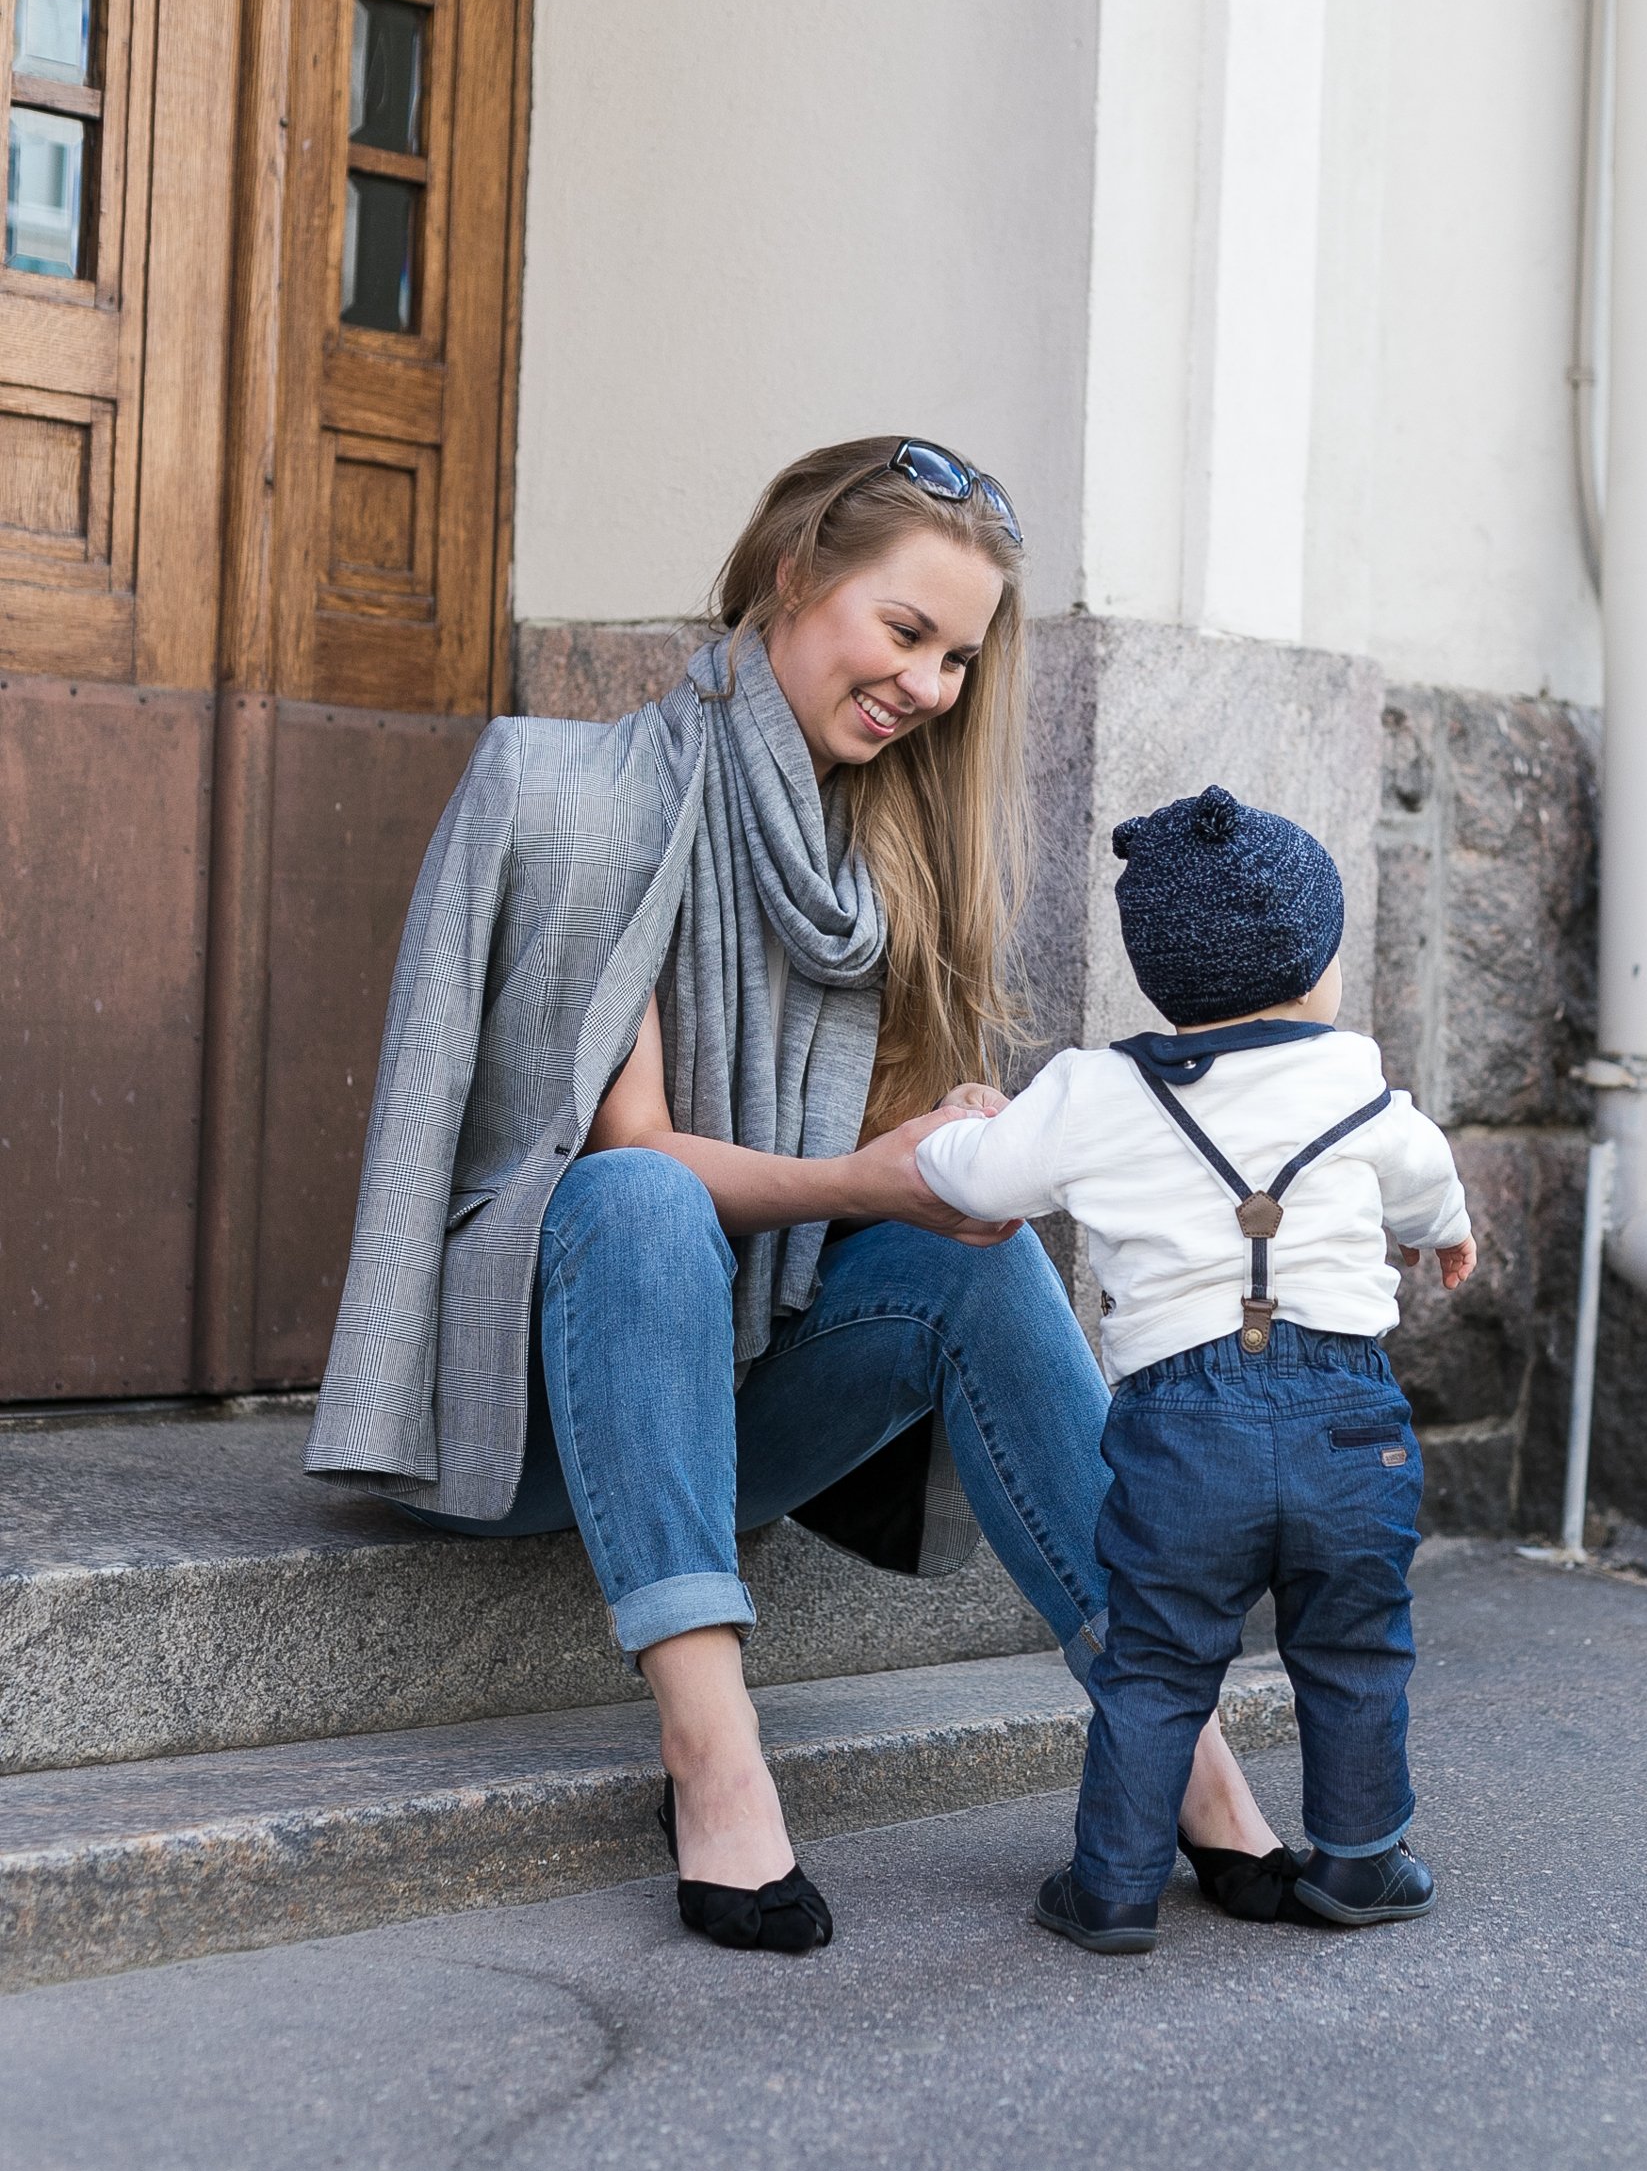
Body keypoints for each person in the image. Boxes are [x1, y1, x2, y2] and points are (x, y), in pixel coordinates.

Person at [306, 440, 1287, 1954]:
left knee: (981, 1255)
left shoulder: (882, 865)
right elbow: (622, 1149)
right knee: (638, 1202)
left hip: (744, 1404)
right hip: (545, 1417)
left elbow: (878, 1197)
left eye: (959, 658)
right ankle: (713, 1761)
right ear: (793, 577)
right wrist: (857, 1177)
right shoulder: (572, 797)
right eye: (906, 632)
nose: (932, 687)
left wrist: (950, 1151)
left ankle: (1182, 1745)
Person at [914, 784, 1478, 1956]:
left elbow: (977, 1185)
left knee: (1157, 1660)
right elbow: (1424, 1179)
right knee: (1356, 1641)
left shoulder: (1093, 1090)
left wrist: (959, 1123)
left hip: (1183, 1428)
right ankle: (1363, 1862)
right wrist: (1445, 1233)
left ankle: (1114, 1889)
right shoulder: (1358, 1083)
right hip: (1346, 1415)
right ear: (1316, 968)